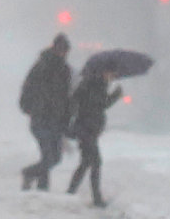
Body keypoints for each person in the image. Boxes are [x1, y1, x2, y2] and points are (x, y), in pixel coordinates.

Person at [17, 34, 73, 192]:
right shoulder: (42, 66)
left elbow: (66, 96)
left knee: (55, 157)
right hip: (41, 117)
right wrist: (30, 107)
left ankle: (34, 178)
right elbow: (28, 88)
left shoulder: (65, 70)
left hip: (56, 118)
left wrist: (66, 116)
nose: (64, 53)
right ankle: (38, 183)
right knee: (49, 155)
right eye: (62, 50)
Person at [65, 63, 119, 207]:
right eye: (111, 73)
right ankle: (96, 198)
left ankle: (71, 192)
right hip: (86, 129)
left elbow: (96, 104)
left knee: (86, 162)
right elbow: (100, 104)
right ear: (103, 72)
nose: (112, 77)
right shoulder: (94, 85)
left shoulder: (95, 84)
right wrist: (116, 95)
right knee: (96, 162)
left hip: (88, 129)